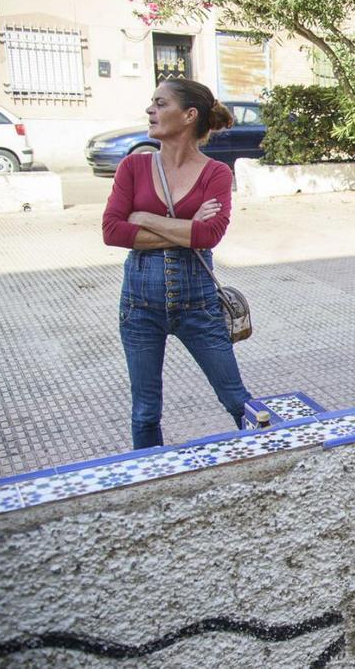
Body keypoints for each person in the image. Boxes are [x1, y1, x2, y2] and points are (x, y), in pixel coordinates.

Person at [101, 79, 252, 448]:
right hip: (139, 307)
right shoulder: (133, 167)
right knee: (145, 411)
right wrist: (186, 228)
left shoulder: (216, 172)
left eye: (160, 103)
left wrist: (144, 217)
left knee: (237, 398)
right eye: (151, 103)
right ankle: (151, 483)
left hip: (198, 304)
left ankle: (270, 459)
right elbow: (112, 231)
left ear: (189, 115)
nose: (150, 110)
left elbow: (210, 235)